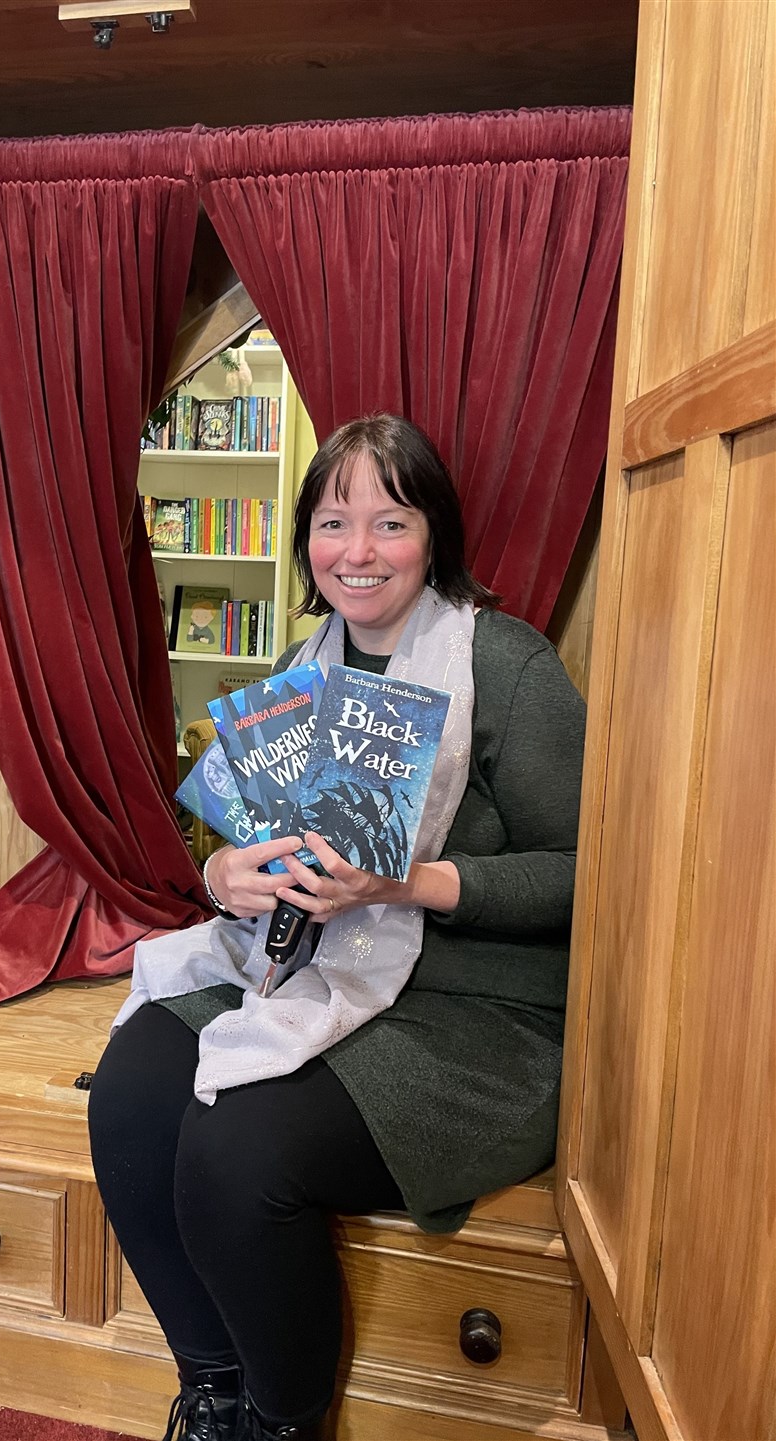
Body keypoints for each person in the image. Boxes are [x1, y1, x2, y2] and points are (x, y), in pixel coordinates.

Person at [88, 414, 586, 1441]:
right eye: (332, 521)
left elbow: (589, 879)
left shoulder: (508, 666)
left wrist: (411, 882)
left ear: (433, 535)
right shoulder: (306, 664)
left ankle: (284, 1420)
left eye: (390, 521)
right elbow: (243, 849)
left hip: (476, 1014)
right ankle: (215, 1393)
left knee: (234, 1148)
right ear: (308, 539)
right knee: (133, 1094)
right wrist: (225, 874)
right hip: (306, 962)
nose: (357, 551)